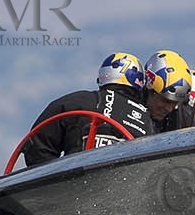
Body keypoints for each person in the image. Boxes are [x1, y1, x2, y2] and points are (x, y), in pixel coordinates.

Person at [20, 53, 150, 167]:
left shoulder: (77, 101)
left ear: (103, 77)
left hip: (74, 186)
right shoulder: (146, 118)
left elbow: (37, 144)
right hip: (127, 188)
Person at [144, 51, 195, 130]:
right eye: (166, 101)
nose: (169, 109)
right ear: (150, 90)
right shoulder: (124, 108)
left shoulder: (179, 120)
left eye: (175, 103)